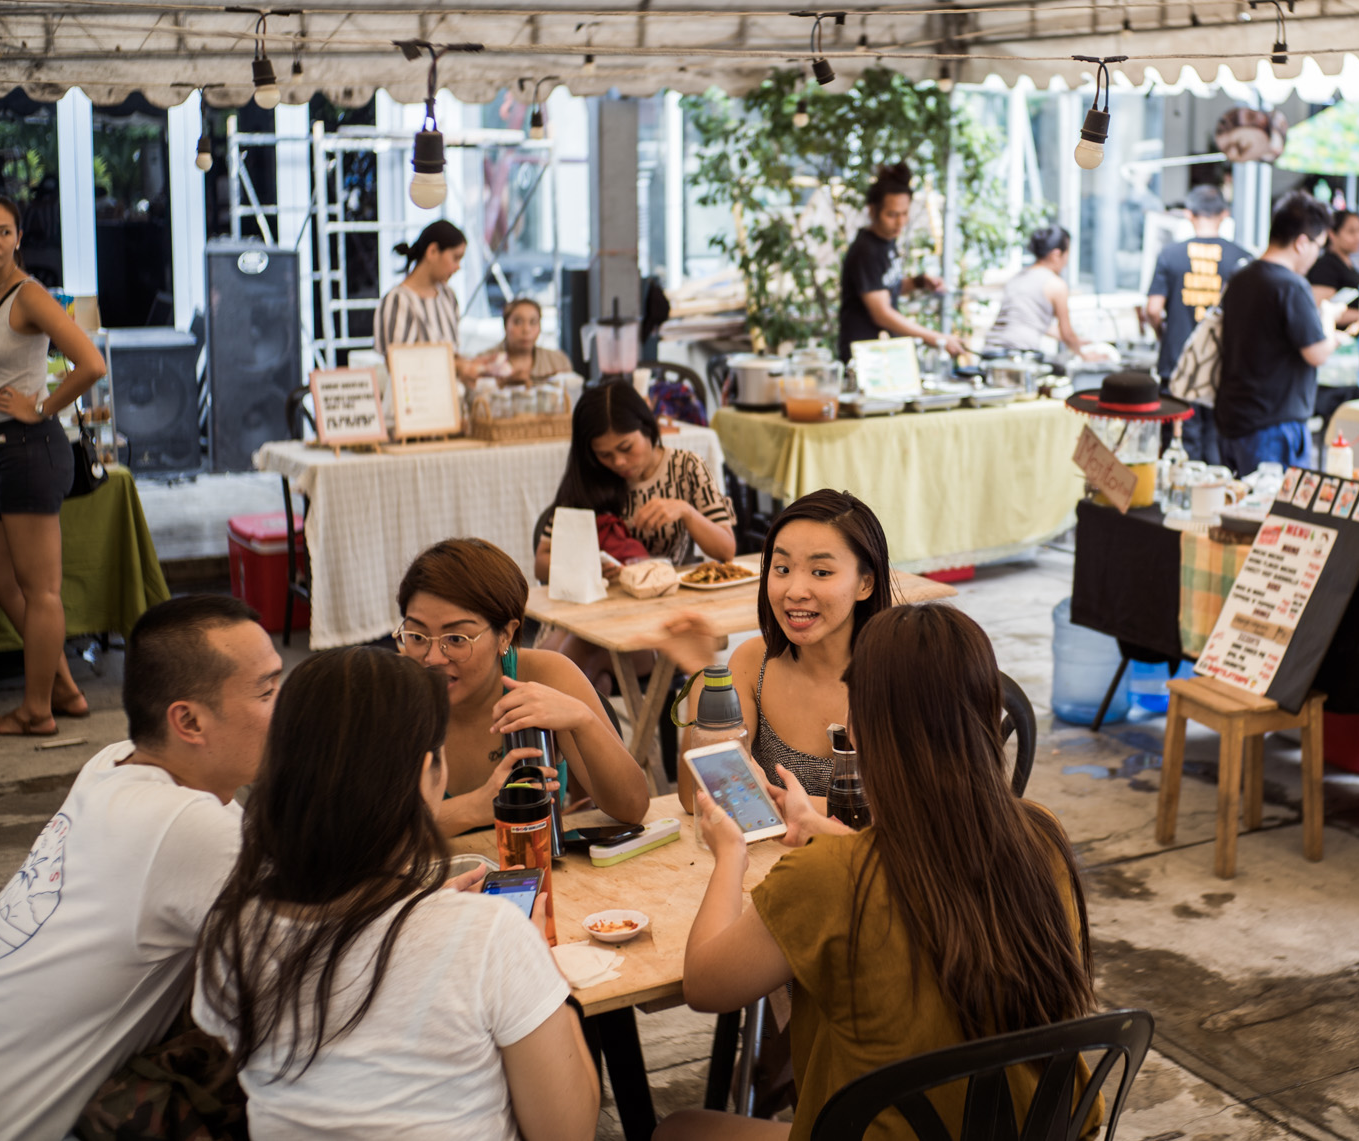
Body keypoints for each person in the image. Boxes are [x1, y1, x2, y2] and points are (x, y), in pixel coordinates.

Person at [655, 602, 1093, 1141]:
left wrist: (731, 855)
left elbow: (705, 984)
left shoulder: (829, 877)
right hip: (1027, 1129)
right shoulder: (1040, 836)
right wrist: (819, 825)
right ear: (986, 708)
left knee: (677, 1129)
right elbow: (923, 869)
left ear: (860, 726)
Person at [194, 648, 599, 1141]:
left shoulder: (232, 927)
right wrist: (540, 963)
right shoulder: (489, 936)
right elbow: (568, 1129)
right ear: (429, 772)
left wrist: (414, 912)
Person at [0, 595, 281, 1141]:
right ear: (188, 720)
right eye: (266, 691)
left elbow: (276, 858)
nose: (285, 706)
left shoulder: (114, 763)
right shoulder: (184, 826)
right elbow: (325, 947)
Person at [0, 191, 110, 735]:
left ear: (19, 238)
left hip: (32, 448)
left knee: (40, 589)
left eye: (4, 231)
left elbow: (90, 361)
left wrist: (41, 404)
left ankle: (36, 710)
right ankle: (65, 689)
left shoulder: (28, 295)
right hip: (2, 451)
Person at [397, 537, 650, 834]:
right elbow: (365, 839)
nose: (433, 657)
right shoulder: (394, 694)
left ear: (505, 634)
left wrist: (584, 719)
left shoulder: (545, 675)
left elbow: (632, 808)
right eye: (416, 636)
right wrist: (477, 806)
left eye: (456, 639)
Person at [663, 489, 894, 806]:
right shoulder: (752, 662)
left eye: (821, 572)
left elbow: (908, 814)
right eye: (782, 569)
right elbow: (700, 799)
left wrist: (772, 802)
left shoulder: (900, 672)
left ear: (865, 583)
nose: (795, 591)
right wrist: (706, 678)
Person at [536, 380, 736, 572]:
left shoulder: (687, 467)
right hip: (608, 600)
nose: (618, 462)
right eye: (604, 454)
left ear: (648, 428)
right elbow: (542, 563)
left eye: (626, 447)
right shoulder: (589, 476)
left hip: (673, 595)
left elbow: (726, 550)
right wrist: (590, 566)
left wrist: (686, 511)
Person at [1213, 192, 1335, 475]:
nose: (1318, 255)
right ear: (1302, 242)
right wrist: (1329, 321)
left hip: (1233, 419)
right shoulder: (1291, 285)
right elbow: (1316, 353)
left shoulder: (1241, 277)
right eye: (1319, 246)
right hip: (1273, 427)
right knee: (1274, 516)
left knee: (1238, 512)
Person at [1146, 184, 1252, 463]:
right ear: (1224, 214)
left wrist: (1163, 335)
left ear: (1189, 214)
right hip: (1223, 368)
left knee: (1180, 450)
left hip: (1178, 366)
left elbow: (1153, 309)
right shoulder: (1242, 258)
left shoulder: (1170, 254)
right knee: (1218, 449)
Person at [837, 162, 961, 362]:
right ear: (872, 211)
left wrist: (919, 282)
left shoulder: (886, 243)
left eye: (904, 214)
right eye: (892, 215)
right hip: (864, 358)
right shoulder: (866, 250)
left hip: (883, 353)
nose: (900, 222)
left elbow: (885, 288)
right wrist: (936, 338)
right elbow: (881, 313)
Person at [373, 219, 482, 382]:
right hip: (414, 402)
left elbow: (452, 352)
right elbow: (397, 366)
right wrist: (458, 367)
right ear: (432, 251)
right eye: (455, 258)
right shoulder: (397, 300)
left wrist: (476, 364)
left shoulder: (448, 295)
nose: (458, 267)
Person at [981, 226, 1109, 360]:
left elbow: (1029, 322)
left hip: (990, 351)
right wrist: (1085, 356)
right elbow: (1066, 333)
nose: (1067, 262)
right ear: (1056, 255)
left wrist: (1075, 340)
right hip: (1018, 354)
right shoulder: (1056, 284)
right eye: (1067, 255)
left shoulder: (1018, 277)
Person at [474, 297, 577, 384]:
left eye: (533, 322)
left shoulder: (558, 362)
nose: (526, 330)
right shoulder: (483, 362)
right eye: (518, 322)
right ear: (505, 325)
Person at [1307, 209, 1359, 327]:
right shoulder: (1325, 267)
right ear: (1332, 234)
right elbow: (1319, 310)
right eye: (1351, 232)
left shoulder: (1347, 263)